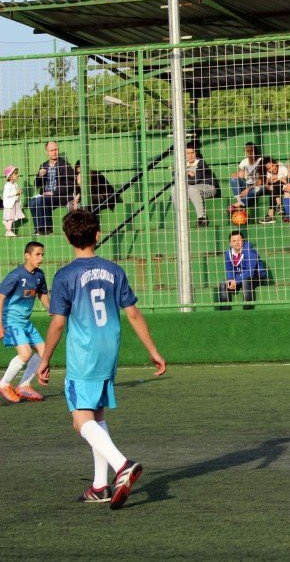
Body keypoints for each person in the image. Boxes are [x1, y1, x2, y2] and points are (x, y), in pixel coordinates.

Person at [37, 209, 166, 508]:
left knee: (80, 420)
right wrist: (153, 350)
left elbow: (57, 323)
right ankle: (99, 486)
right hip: (110, 349)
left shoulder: (66, 275)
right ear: (97, 236)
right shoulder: (114, 270)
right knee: (96, 415)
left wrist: (44, 359)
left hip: (84, 352)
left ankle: (122, 465)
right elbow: (132, 312)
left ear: (68, 239)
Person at [0, 241, 49, 403]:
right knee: (26, 353)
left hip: (25, 322)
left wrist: (51, 309)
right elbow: (0, 297)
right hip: (11, 320)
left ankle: (24, 385)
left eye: (42, 254)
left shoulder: (39, 275)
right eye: (37, 254)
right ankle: (4, 384)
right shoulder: (15, 275)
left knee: (44, 352)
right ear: (27, 256)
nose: (41, 258)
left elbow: (42, 294)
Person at [27, 141, 75, 235]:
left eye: (56, 149)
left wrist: (54, 193)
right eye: (51, 150)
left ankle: (48, 229)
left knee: (41, 200)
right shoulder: (43, 165)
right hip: (46, 195)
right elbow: (37, 184)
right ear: (47, 152)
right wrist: (40, 176)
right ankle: (38, 229)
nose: (54, 152)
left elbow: (69, 184)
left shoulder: (65, 165)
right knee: (32, 202)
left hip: (60, 196)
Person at [217, 231, 268, 310]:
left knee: (245, 281)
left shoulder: (250, 252)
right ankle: (225, 311)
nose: (237, 242)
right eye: (234, 241)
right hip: (238, 277)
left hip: (256, 277)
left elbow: (250, 272)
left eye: (239, 240)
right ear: (230, 243)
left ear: (243, 241)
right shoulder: (228, 253)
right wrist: (231, 279)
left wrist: (236, 281)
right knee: (223, 283)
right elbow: (229, 269)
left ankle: (247, 309)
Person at [172, 144, 218, 228]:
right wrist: (187, 172)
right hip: (191, 190)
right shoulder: (182, 164)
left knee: (192, 189)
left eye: (192, 153)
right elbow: (174, 175)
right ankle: (180, 216)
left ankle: (202, 218)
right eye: (188, 153)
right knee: (174, 188)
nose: (190, 155)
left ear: (196, 153)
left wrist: (182, 174)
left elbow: (194, 180)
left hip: (208, 188)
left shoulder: (200, 163)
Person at [228, 142, 263, 211]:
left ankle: (239, 204)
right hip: (247, 185)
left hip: (257, 185)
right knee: (233, 179)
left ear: (255, 151)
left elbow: (261, 181)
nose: (249, 153)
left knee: (258, 189)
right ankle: (239, 202)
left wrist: (248, 189)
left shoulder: (260, 161)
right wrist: (235, 174)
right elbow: (240, 175)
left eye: (251, 151)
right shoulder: (244, 162)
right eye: (247, 151)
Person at [257, 157, 289, 224]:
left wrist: (277, 177)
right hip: (276, 189)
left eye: (272, 166)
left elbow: (287, 181)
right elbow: (267, 186)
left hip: (286, 187)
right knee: (272, 187)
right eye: (268, 168)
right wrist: (269, 182)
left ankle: (272, 214)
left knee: (275, 185)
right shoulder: (268, 173)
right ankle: (279, 207)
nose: (271, 169)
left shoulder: (283, 168)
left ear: (275, 163)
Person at [3, 165, 25, 237]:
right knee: (10, 218)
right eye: (15, 174)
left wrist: (19, 193)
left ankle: (7, 227)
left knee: (12, 218)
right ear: (10, 176)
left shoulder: (15, 184)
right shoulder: (7, 185)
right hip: (9, 205)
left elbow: (16, 194)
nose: (17, 175)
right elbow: (7, 194)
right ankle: (8, 231)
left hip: (14, 204)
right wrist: (16, 193)